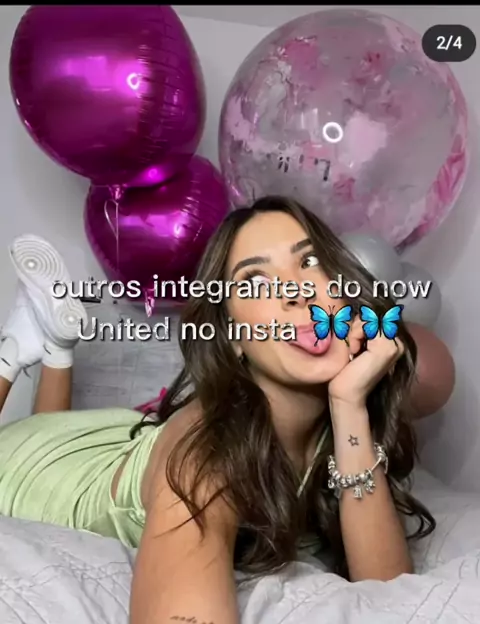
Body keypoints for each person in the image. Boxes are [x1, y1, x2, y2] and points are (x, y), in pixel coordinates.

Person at [0, 197, 435, 624]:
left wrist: (349, 404)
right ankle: (12, 352)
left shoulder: (340, 425)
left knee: (58, 426)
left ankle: (54, 349)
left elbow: (389, 590)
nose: (296, 292)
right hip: (32, 471)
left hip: (117, 443)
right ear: (233, 338)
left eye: (309, 262)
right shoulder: (206, 455)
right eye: (256, 282)